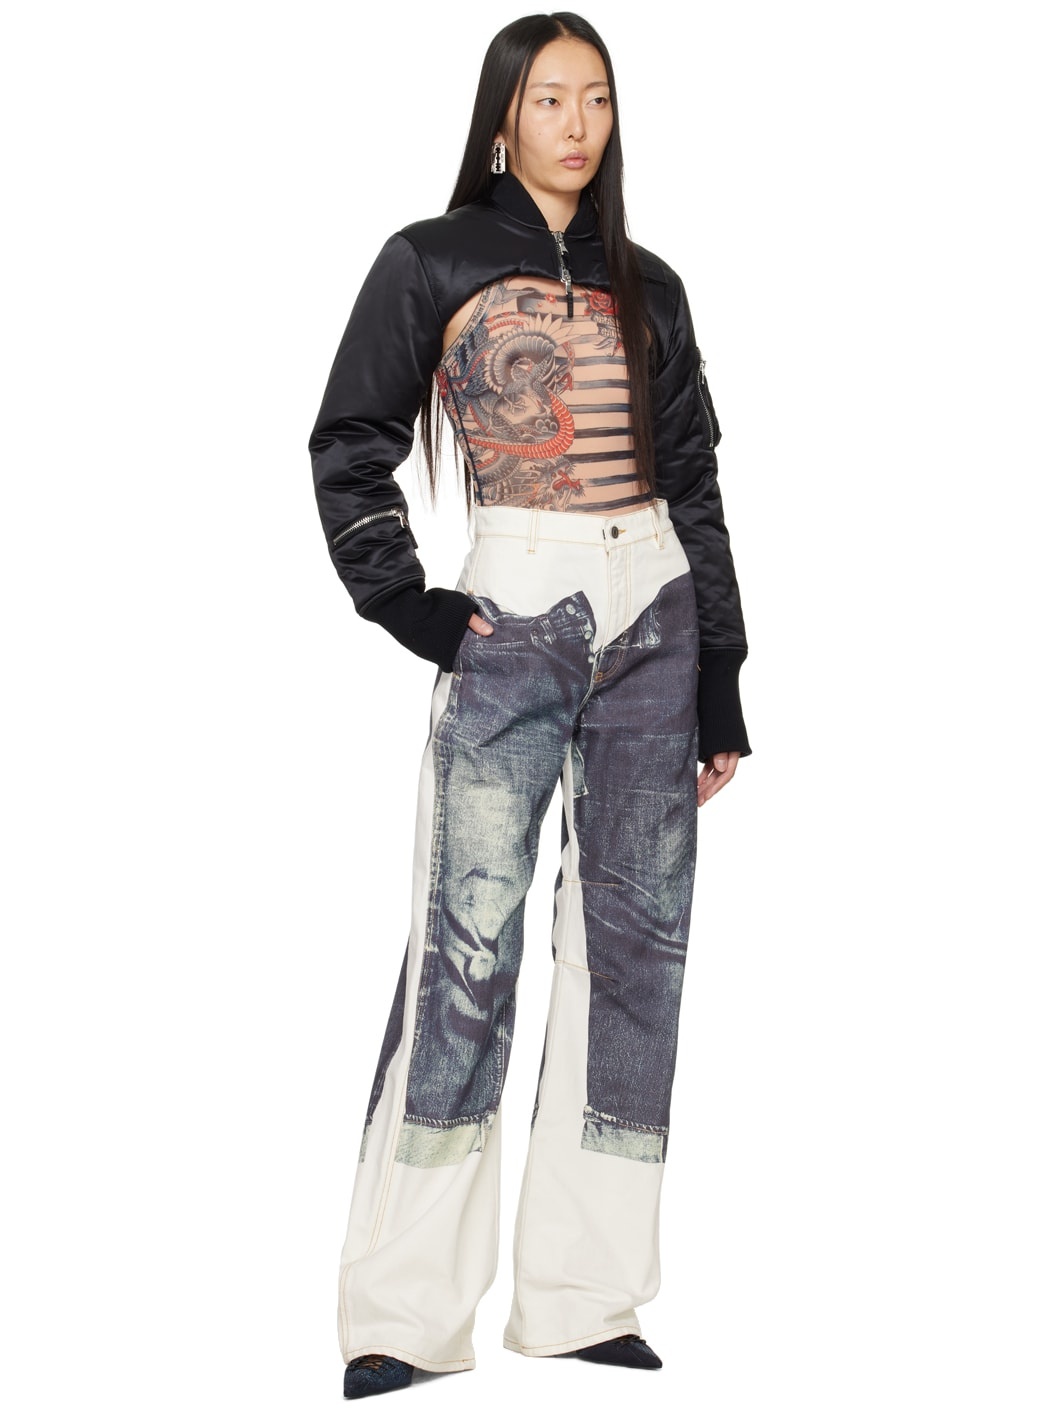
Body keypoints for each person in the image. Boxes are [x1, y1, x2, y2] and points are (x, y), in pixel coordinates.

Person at [308, 11, 752, 1401]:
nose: (576, 124)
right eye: (550, 98)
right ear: (504, 116)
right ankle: (401, 1318)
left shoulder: (651, 283)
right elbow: (349, 442)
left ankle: (582, 1302)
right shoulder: (430, 259)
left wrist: (721, 679)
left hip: (656, 606)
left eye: (596, 99)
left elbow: (695, 481)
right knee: (465, 949)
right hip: (512, 599)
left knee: (636, 960)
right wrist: (410, 605)